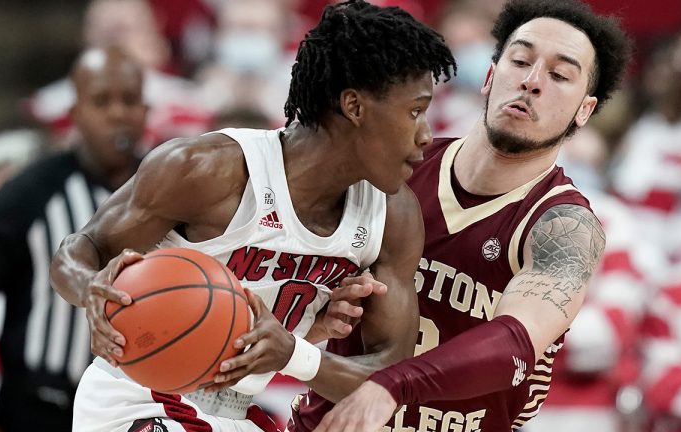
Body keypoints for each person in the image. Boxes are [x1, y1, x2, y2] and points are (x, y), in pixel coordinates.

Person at [49, 1, 456, 431]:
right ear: (354, 107)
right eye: (414, 111)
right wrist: (90, 286)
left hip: (237, 411)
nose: (426, 134)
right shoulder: (207, 168)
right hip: (138, 397)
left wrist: (296, 351)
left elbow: (391, 382)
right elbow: (79, 250)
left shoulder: (393, 216)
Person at [304, 1, 632, 431]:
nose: (531, 82)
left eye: (559, 75)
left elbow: (514, 345)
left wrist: (391, 386)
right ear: (491, 76)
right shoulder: (392, 168)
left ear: (584, 111)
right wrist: (315, 321)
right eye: (520, 61)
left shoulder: (563, 225)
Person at [0, 46, 147, 432]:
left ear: (146, 110)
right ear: (75, 113)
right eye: (102, 101)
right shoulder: (28, 193)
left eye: (129, 100)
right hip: (37, 405)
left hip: (136, 410)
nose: (118, 113)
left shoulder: (168, 191)